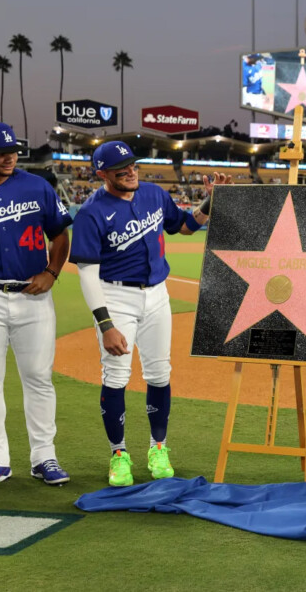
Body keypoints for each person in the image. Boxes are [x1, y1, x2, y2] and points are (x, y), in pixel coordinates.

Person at [69, 141, 230, 487]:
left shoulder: (154, 194)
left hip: (157, 294)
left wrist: (209, 202)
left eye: (132, 165)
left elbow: (185, 226)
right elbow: (86, 273)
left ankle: (159, 448)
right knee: (116, 375)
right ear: (101, 174)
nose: (129, 172)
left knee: (159, 372)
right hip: (115, 295)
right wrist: (106, 324)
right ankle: (119, 454)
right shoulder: (91, 213)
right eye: (119, 169)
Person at [0, 121, 73, 492]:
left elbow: (60, 233)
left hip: (34, 295)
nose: (9, 156)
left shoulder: (37, 186)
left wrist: (52, 271)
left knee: (39, 378)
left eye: (12, 149)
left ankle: (43, 456)